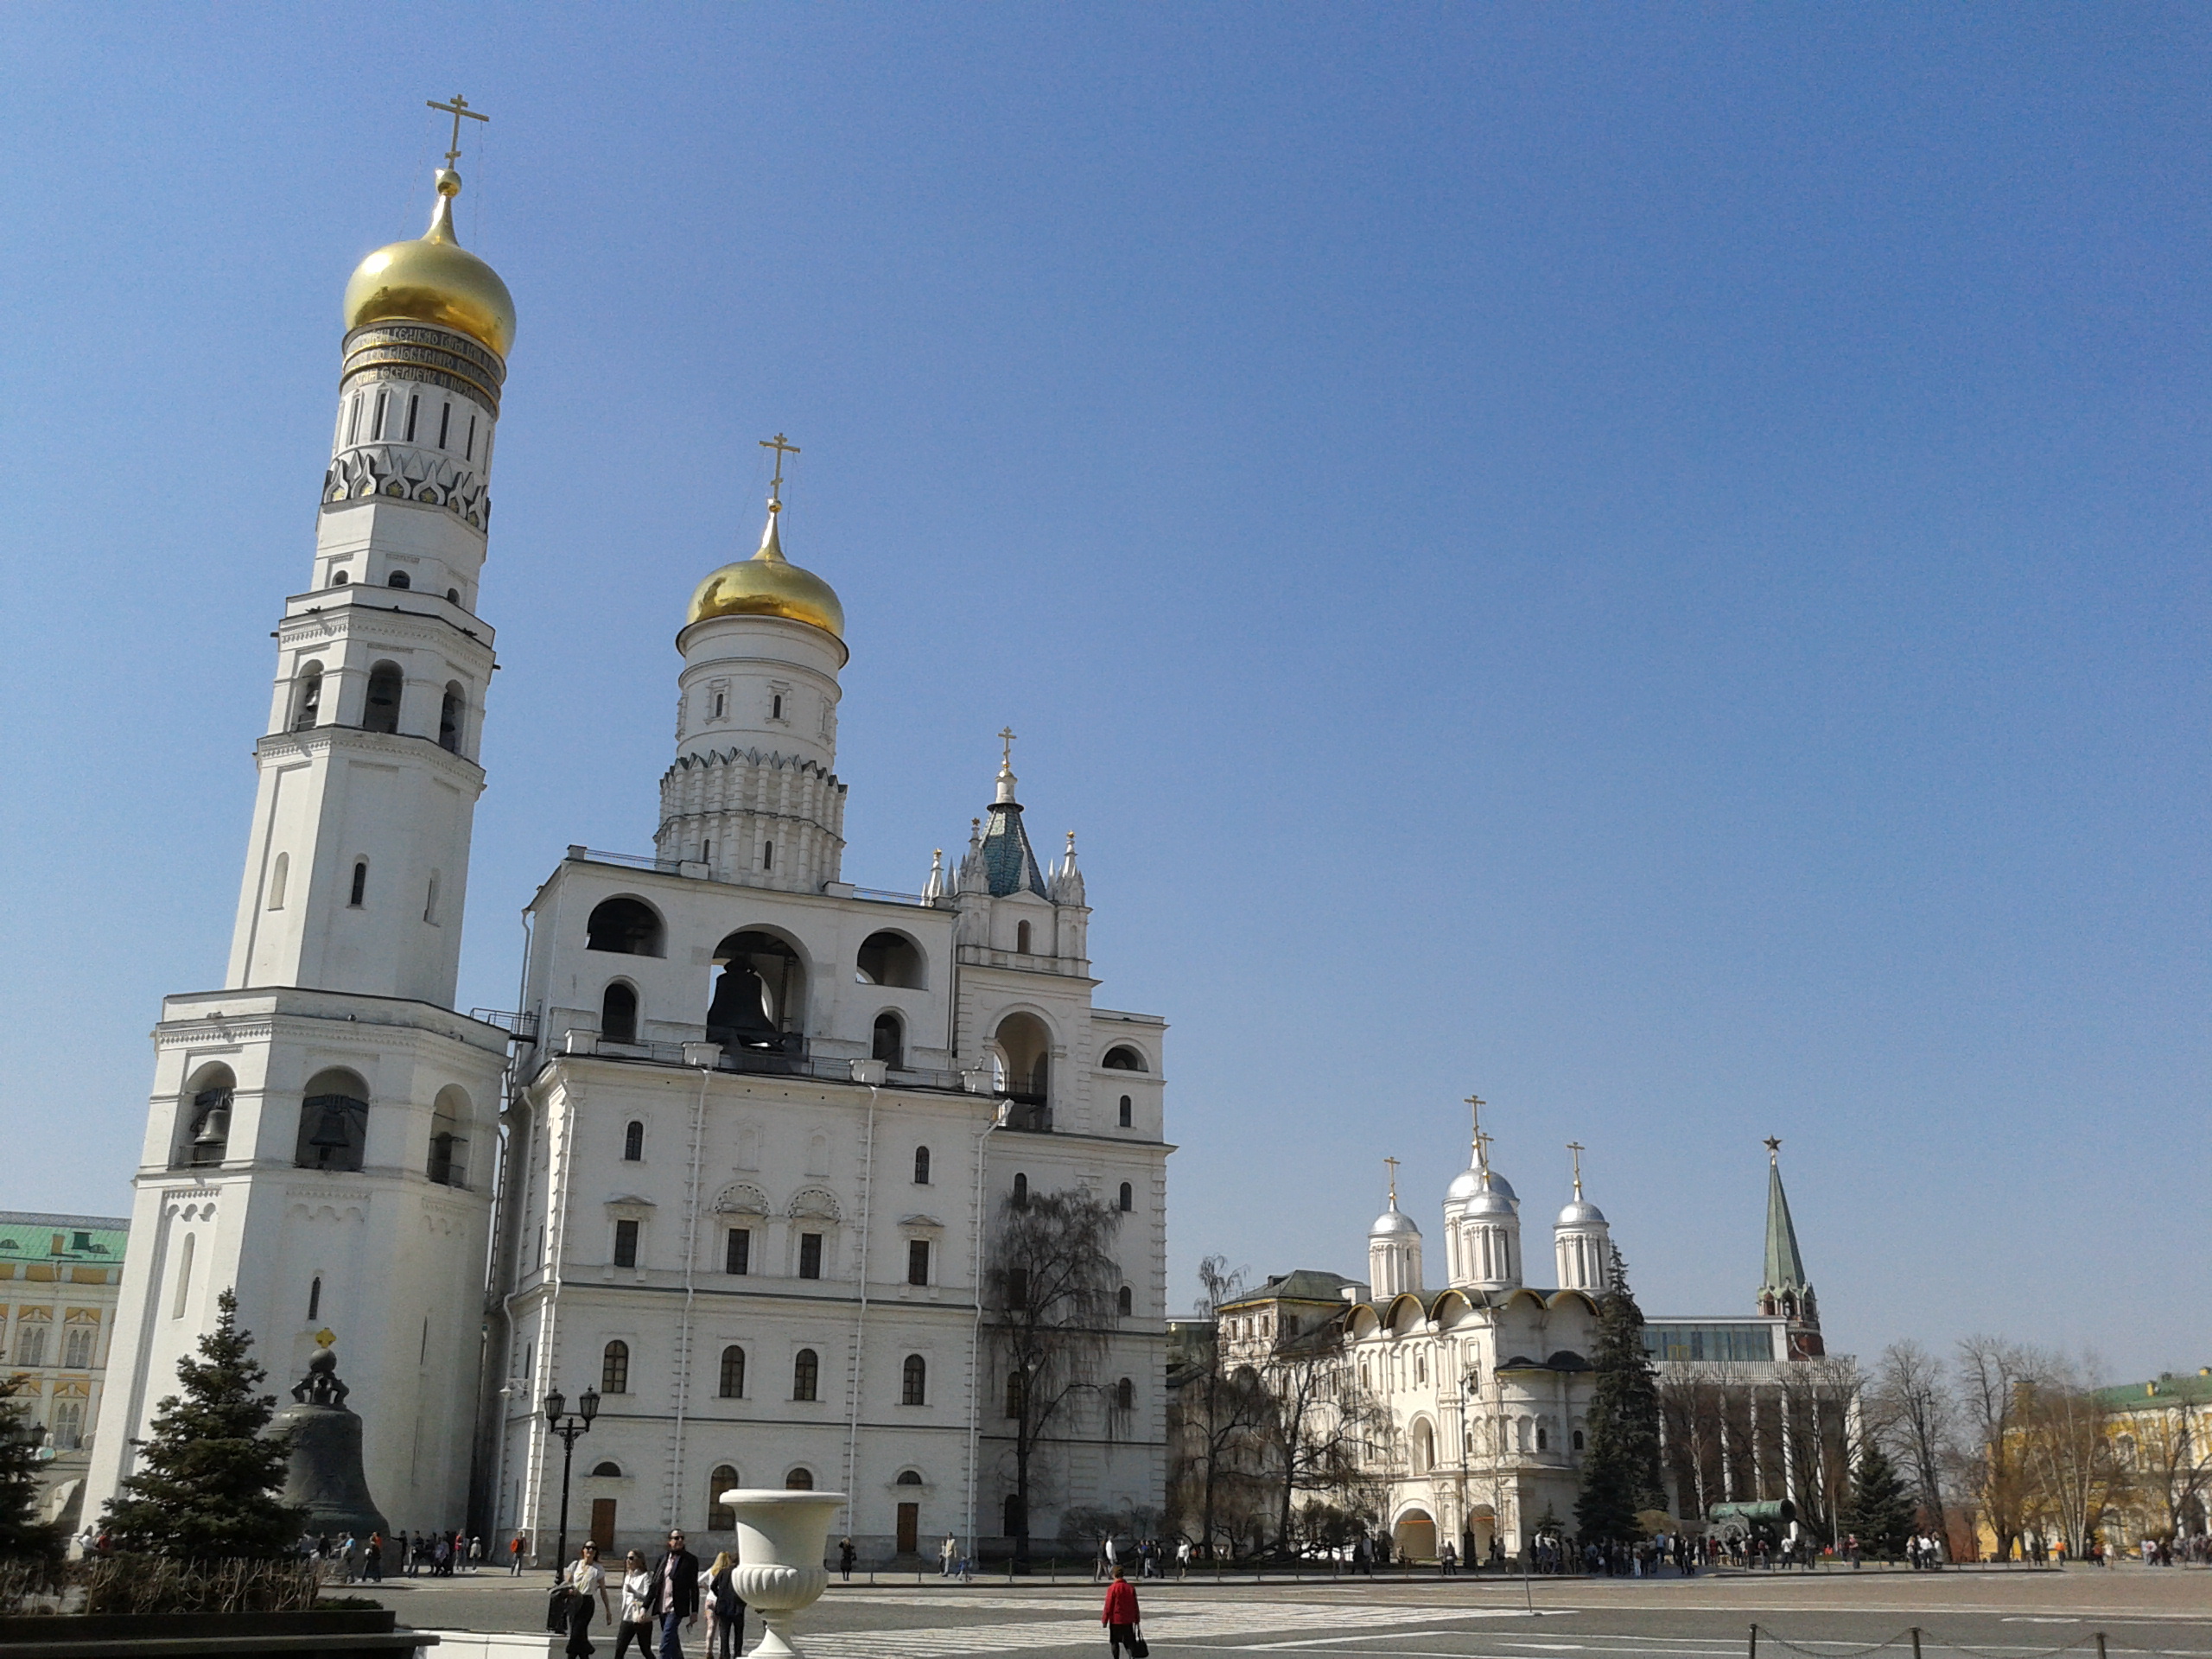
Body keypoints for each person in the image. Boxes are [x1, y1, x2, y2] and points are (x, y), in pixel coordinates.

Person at [647, 1527, 701, 1659]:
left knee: (665, 1643)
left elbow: (693, 1587)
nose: (680, 1540)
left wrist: (694, 1611)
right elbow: (655, 1584)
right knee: (673, 1641)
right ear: (669, 1542)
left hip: (676, 1607)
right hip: (662, 1606)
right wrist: (644, 1606)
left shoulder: (690, 1560)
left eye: (682, 1538)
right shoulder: (663, 1559)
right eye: (676, 1538)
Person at [563, 1541, 613, 1659]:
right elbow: (567, 1583)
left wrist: (608, 1611)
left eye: (593, 1549)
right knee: (579, 1635)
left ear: (596, 1552)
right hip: (574, 1602)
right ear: (583, 1550)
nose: (590, 1551)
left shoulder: (598, 1569)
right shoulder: (575, 1565)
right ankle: (586, 1651)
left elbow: (603, 1590)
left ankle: (572, 1654)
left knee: (576, 1633)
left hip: (586, 1603)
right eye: (588, 1548)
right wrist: (569, 1591)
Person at [702, 1549, 743, 1659]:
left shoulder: (723, 1572)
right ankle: (737, 1654)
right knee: (738, 1633)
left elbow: (713, 1586)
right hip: (737, 1606)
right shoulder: (740, 1573)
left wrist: (720, 1596)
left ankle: (725, 1655)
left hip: (723, 1606)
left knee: (724, 1632)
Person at [613, 1551, 654, 1659]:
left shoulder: (646, 1576)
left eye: (631, 1558)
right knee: (619, 1649)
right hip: (627, 1617)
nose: (628, 1560)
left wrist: (634, 1591)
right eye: (627, 1558)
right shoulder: (628, 1576)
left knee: (645, 1649)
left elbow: (648, 1597)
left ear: (639, 1560)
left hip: (640, 1617)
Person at [1102, 1562, 1141, 1657]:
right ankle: (1132, 1657)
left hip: (1116, 1620)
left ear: (1114, 1575)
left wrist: (1105, 1620)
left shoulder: (1112, 1588)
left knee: (1114, 1642)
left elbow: (1108, 1606)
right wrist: (1137, 1619)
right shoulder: (1130, 1588)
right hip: (1128, 1620)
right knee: (1129, 1642)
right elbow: (1135, 1604)